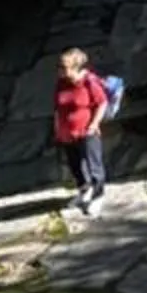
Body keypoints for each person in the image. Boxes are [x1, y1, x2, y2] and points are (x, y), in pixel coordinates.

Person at [52, 46, 115, 215]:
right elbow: (58, 107)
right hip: (67, 134)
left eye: (64, 67)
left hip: (87, 132)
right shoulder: (61, 83)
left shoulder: (89, 81)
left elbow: (102, 103)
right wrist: (58, 128)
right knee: (75, 165)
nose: (60, 70)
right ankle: (84, 190)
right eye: (59, 66)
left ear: (75, 67)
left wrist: (94, 125)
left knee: (94, 165)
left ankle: (98, 195)